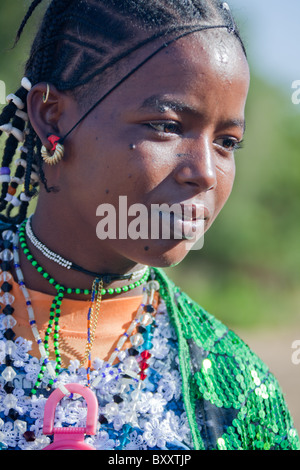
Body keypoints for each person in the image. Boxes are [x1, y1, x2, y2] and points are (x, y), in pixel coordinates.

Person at [0, 0, 298, 451]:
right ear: (51, 116)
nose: (206, 173)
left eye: (226, 142)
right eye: (167, 124)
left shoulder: (239, 388)